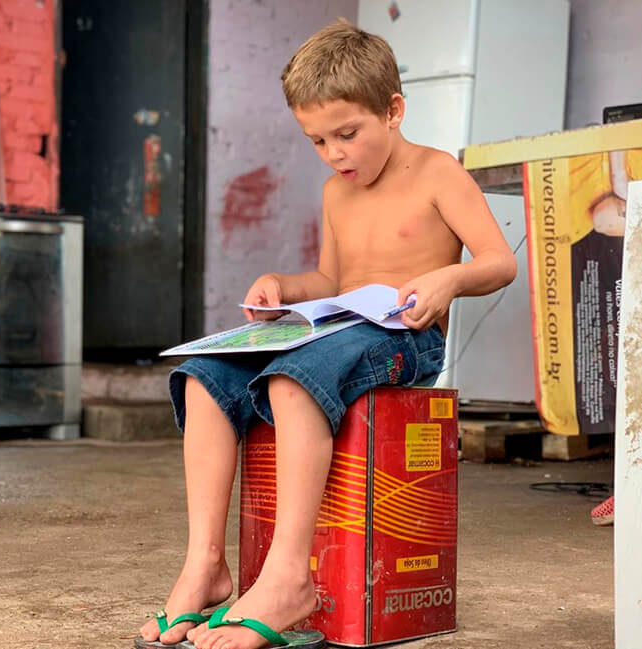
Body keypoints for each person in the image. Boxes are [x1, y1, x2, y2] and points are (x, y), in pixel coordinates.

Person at [137, 18, 516, 649]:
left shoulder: (437, 173)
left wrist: (448, 279)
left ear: (393, 110)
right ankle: (203, 565)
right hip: (340, 332)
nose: (335, 154)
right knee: (204, 379)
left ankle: (288, 577)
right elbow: (331, 280)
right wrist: (283, 287)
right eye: (317, 140)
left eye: (347, 134)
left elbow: (498, 261)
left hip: (405, 340)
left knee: (291, 382)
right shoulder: (336, 193)